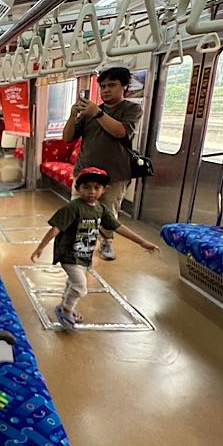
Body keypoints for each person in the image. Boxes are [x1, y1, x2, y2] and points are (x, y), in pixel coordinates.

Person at [30, 167, 159, 330]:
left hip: (85, 254)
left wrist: (142, 242)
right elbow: (56, 228)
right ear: (78, 188)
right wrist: (41, 248)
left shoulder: (101, 209)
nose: (91, 191)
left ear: (104, 189)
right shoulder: (72, 208)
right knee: (80, 286)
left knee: (73, 283)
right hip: (69, 254)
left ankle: (64, 304)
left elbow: (118, 227)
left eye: (97, 188)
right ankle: (67, 309)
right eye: (86, 187)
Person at [63, 67, 143, 261]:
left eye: (112, 85)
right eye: (103, 86)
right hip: (85, 172)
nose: (106, 90)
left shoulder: (131, 109)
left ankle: (106, 243)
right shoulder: (89, 113)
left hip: (114, 174)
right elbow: (67, 138)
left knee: (108, 212)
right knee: (80, 210)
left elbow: (120, 132)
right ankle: (82, 245)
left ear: (124, 87)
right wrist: (74, 115)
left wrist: (97, 113)